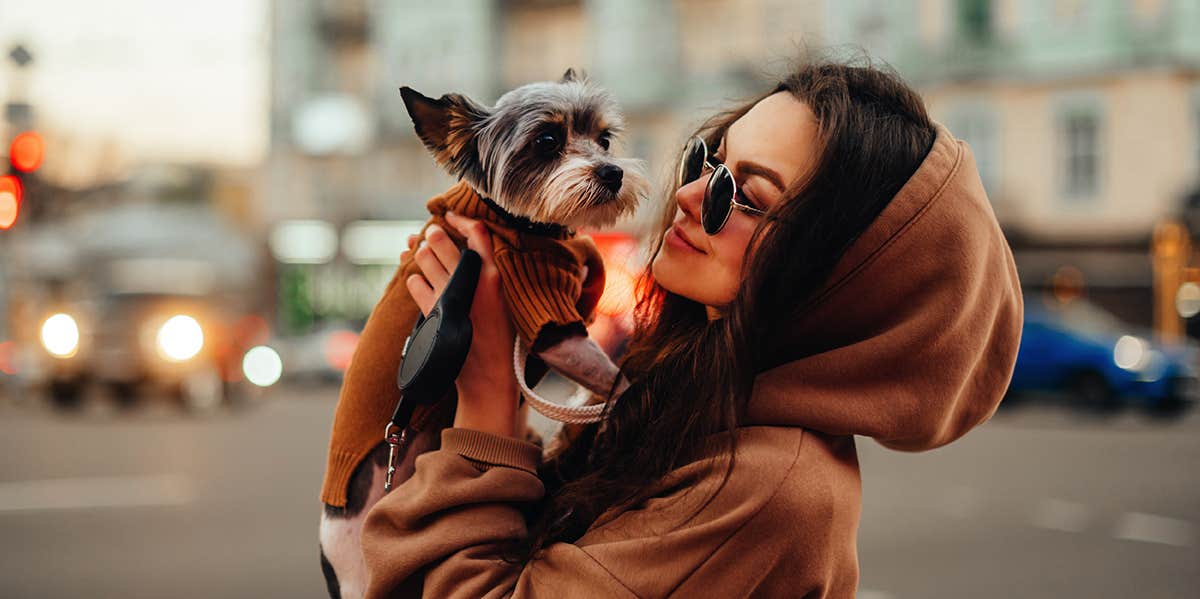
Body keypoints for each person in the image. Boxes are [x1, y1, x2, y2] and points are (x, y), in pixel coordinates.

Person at [359, 57, 1024, 598]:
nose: (688, 192)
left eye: (745, 196)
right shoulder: (686, 395)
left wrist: (487, 407)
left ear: (841, 277)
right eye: (709, 159)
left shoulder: (766, 490)